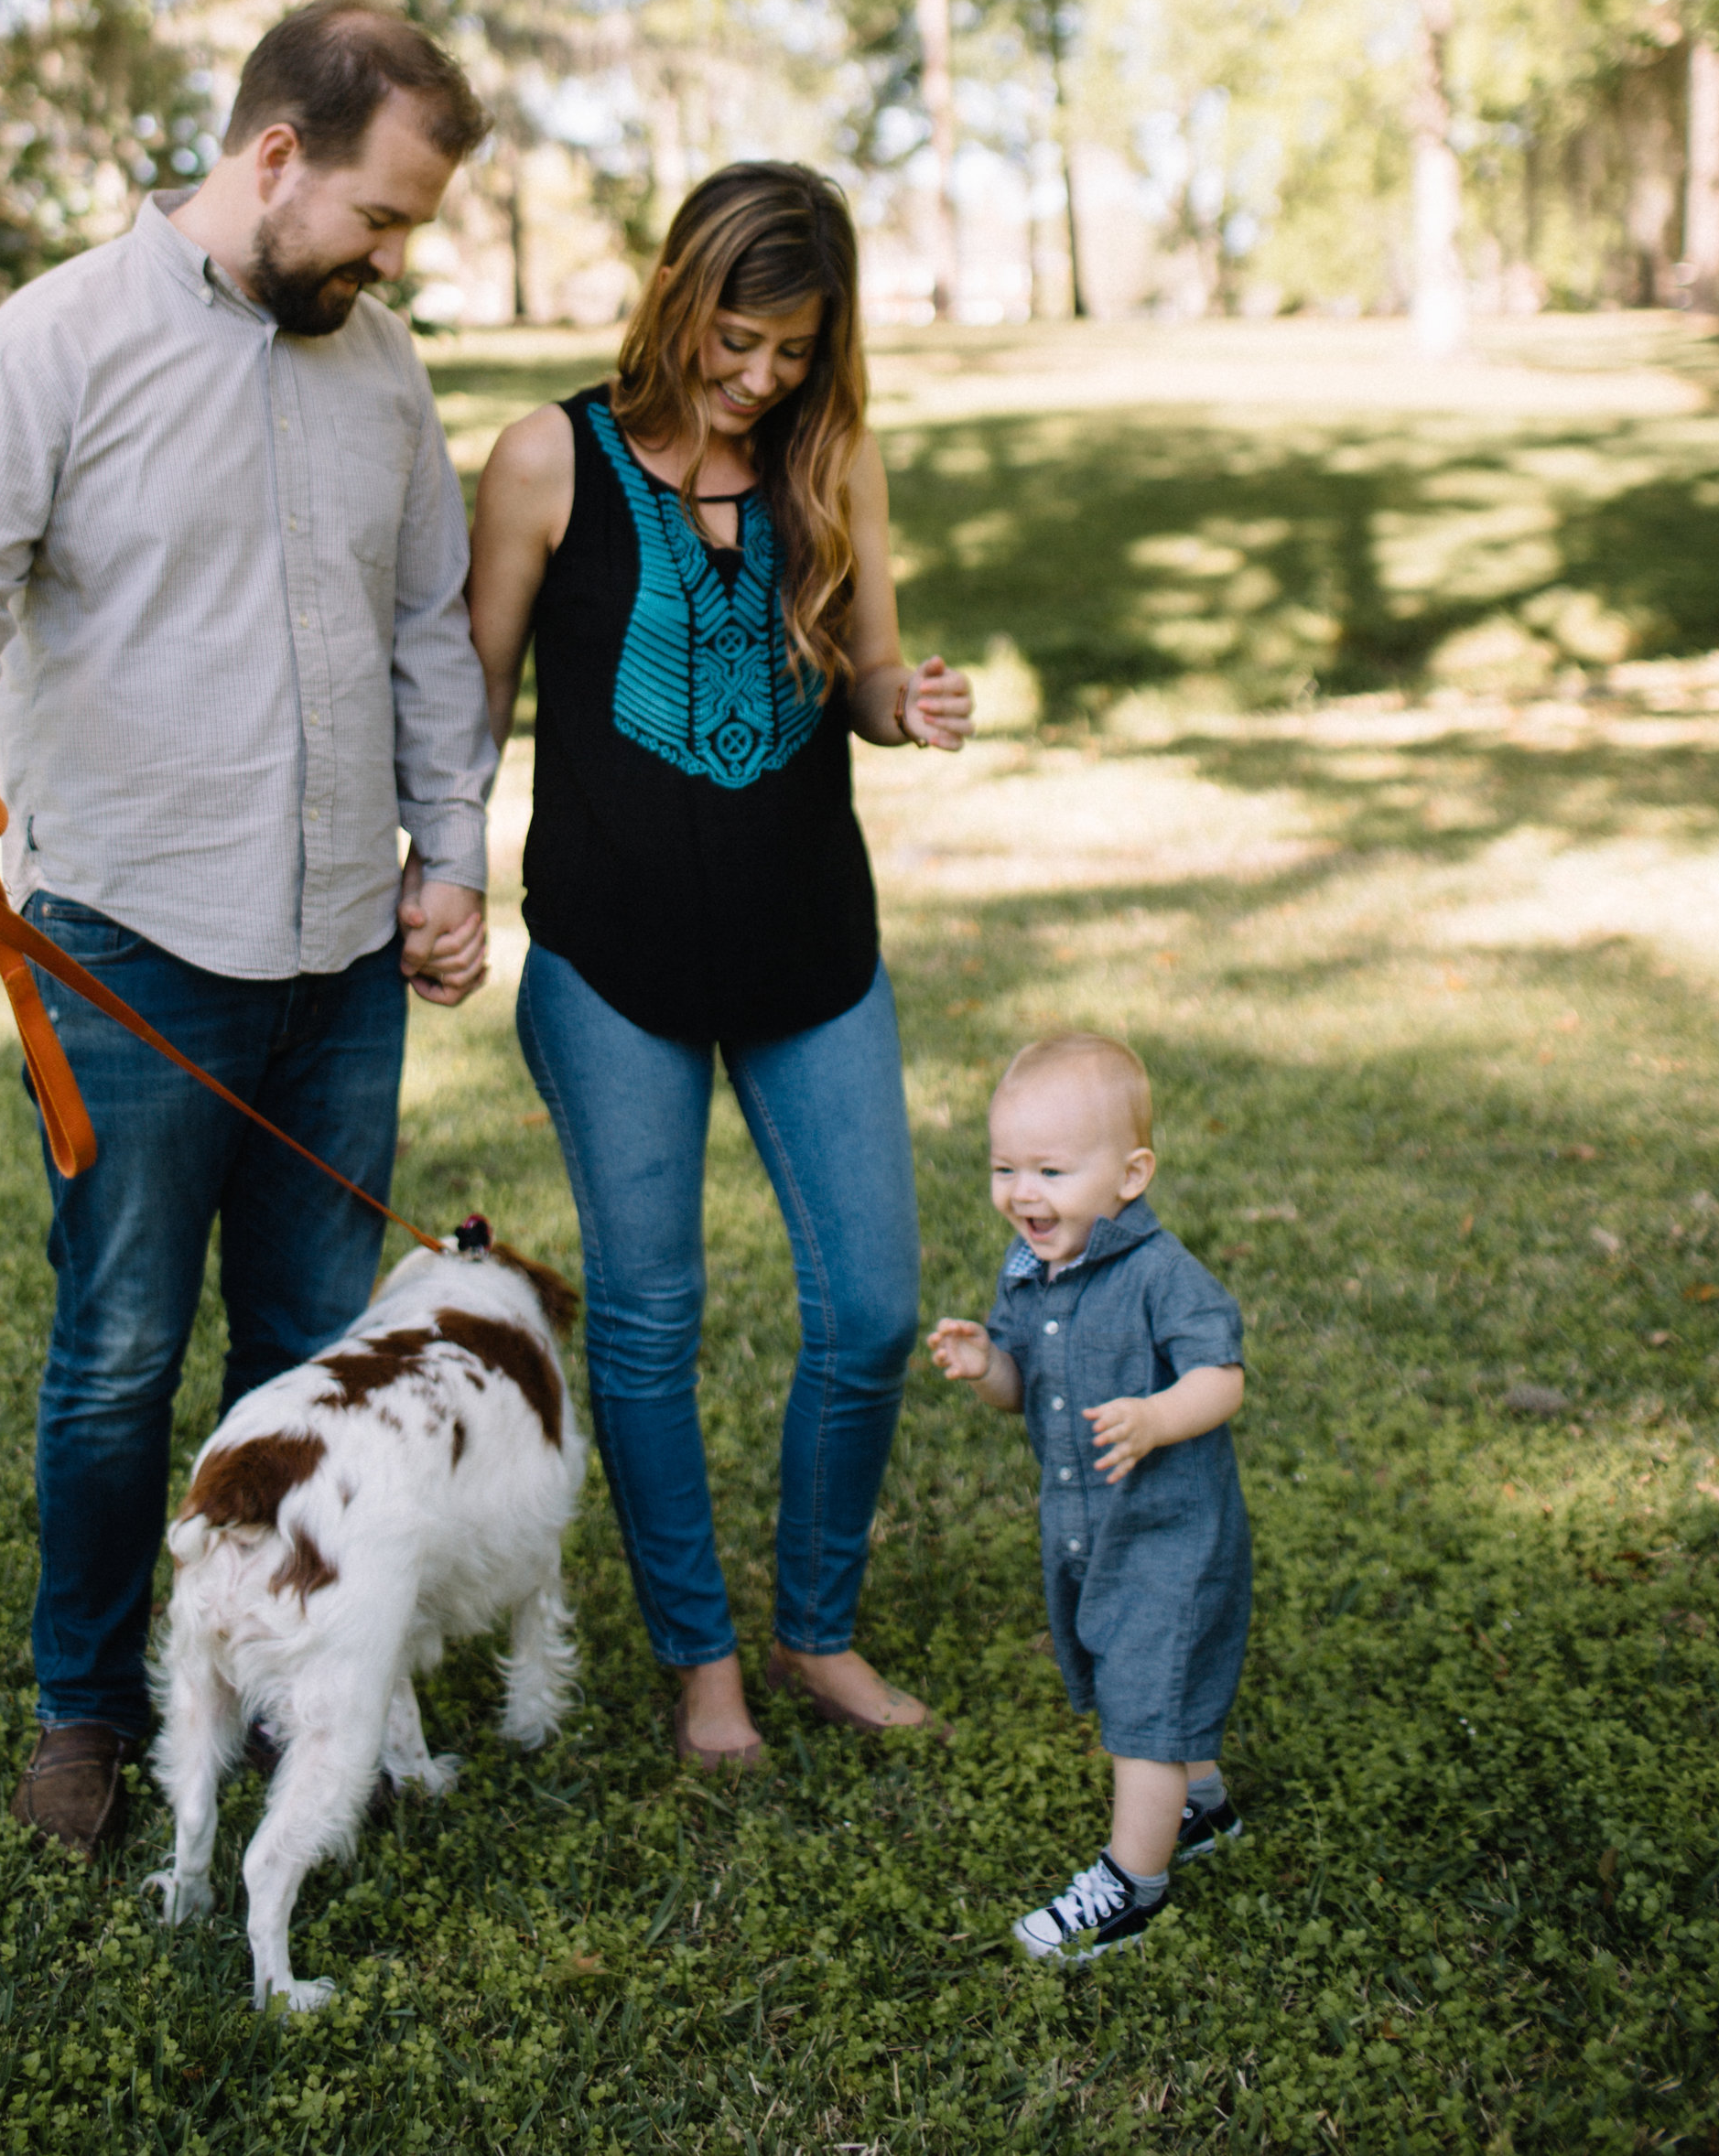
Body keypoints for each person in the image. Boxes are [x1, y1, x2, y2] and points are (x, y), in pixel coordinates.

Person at [0, 0, 498, 1858]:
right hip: (127, 946)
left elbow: (424, 637)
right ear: (274, 154)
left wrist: (445, 856)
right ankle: (81, 1707)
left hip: (341, 959)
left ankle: (289, 1669)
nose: (392, 262)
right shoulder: (58, 336)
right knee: (121, 1350)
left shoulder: (379, 367)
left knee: (307, 1353)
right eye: (378, 218)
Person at [467, 161, 972, 1768]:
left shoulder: (832, 464)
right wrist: (433, 878)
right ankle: (703, 1670)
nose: (762, 379)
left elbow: (870, 677)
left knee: (874, 1308)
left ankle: (816, 1627)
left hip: (814, 948)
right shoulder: (552, 457)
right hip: (612, 961)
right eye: (739, 341)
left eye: (795, 353)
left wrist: (911, 706)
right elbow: (471, 699)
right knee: (649, 1322)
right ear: (683, 297)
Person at [928, 1029, 1249, 1966]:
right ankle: (1200, 1809)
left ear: (1130, 1174)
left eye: (1051, 1170)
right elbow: (1019, 1390)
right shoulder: (1027, 1271)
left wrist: (1157, 1417)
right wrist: (987, 1362)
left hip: (1169, 1533)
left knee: (1143, 1699)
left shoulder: (1160, 1276)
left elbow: (1221, 1380)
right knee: (1131, 1667)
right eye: (1004, 1167)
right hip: (1086, 1531)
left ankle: (1130, 1885)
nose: (1022, 1193)